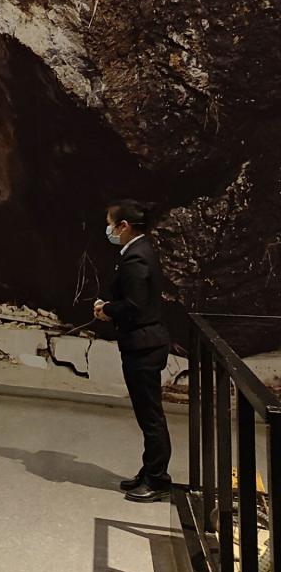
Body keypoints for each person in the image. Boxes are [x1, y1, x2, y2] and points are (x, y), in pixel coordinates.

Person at [94, 199, 172, 503]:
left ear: (123, 226)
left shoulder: (136, 257)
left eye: (110, 224)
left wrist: (106, 310)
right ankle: (149, 470)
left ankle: (157, 479)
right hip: (144, 343)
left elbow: (135, 306)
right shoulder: (140, 251)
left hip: (144, 345)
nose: (109, 230)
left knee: (151, 417)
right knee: (147, 414)